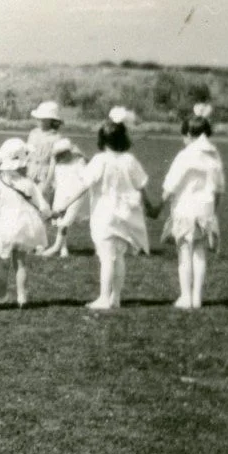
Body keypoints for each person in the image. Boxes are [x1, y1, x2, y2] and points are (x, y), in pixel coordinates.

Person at [52, 107, 160, 311]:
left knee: (106, 256)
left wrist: (63, 206)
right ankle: (115, 297)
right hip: (127, 214)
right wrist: (150, 208)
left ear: (102, 140)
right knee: (118, 257)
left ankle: (104, 297)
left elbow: (82, 186)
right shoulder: (130, 160)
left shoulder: (100, 160)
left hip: (105, 213)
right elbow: (141, 187)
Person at [161, 103, 225, 309]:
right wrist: (213, 213)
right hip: (205, 210)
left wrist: (157, 206)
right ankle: (197, 297)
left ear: (189, 133)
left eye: (184, 135)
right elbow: (218, 189)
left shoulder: (185, 155)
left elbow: (171, 185)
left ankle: (186, 296)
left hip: (185, 210)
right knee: (199, 253)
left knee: (184, 253)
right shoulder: (214, 156)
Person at [0, 138, 51, 308]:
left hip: (1, 229)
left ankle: (2, 297)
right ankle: (22, 297)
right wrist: (50, 214)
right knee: (21, 262)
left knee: (1, 263)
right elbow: (43, 206)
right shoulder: (28, 183)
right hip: (24, 227)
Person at [38, 137, 89, 258]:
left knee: (65, 222)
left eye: (63, 154)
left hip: (75, 196)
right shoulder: (57, 163)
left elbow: (85, 181)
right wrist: (43, 191)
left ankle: (55, 247)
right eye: (58, 155)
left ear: (69, 152)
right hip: (61, 194)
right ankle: (63, 248)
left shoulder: (79, 162)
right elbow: (51, 178)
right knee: (60, 221)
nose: (60, 157)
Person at [26, 100, 64, 199]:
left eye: (43, 119)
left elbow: (53, 162)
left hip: (45, 174)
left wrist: (48, 183)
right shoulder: (33, 133)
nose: (39, 121)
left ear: (51, 120)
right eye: (38, 119)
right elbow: (26, 153)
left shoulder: (56, 137)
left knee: (42, 199)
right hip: (30, 170)